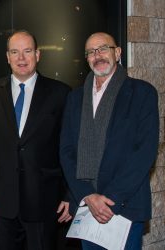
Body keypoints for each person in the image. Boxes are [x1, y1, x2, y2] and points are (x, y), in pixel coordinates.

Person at [0, 30, 72, 250]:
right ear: (7, 57)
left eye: (27, 51)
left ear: (38, 54)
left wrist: (69, 193)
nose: (21, 58)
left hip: (44, 199)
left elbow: (69, 148)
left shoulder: (60, 93)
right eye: (15, 52)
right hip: (1, 199)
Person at [60, 32, 159, 249]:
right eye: (91, 52)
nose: (98, 55)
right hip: (87, 206)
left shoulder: (143, 93)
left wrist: (110, 198)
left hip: (124, 205)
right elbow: (66, 151)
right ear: (86, 59)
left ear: (118, 52)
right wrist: (87, 195)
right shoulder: (75, 98)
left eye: (103, 48)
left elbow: (145, 152)